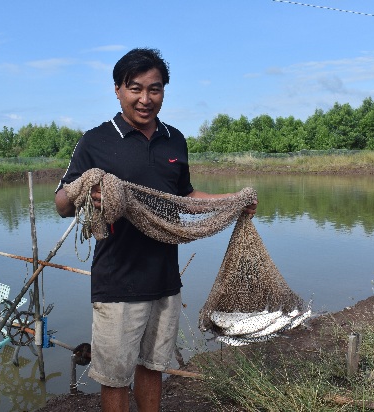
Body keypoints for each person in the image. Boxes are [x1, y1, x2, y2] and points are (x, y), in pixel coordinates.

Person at [54, 48, 257, 412]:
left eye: (155, 89)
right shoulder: (96, 140)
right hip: (117, 280)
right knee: (115, 377)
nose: (145, 99)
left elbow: (186, 196)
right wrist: (89, 190)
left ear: (164, 91)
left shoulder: (174, 139)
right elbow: (61, 204)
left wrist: (234, 200)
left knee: (153, 367)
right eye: (135, 88)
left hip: (164, 279)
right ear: (117, 89)